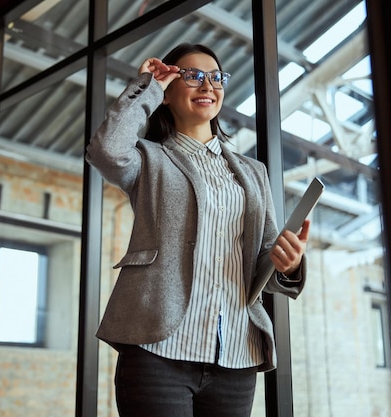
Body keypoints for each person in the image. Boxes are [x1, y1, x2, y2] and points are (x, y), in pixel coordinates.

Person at [85, 43, 311, 417]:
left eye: (215, 77)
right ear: (169, 92)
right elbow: (106, 150)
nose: (207, 85)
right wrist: (148, 85)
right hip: (160, 349)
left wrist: (288, 263)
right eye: (192, 76)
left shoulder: (253, 172)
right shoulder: (148, 159)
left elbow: (263, 256)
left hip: (237, 354)